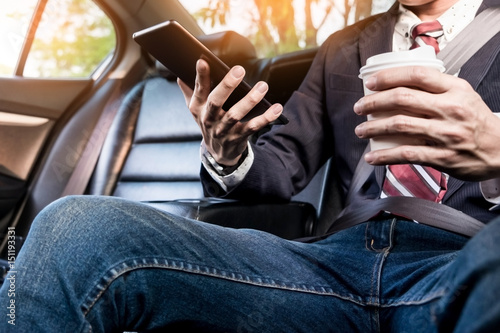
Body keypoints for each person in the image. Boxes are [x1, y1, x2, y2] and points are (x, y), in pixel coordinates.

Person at [1, 0, 500, 331]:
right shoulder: (343, 48)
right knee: (71, 228)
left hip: (470, 256)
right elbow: (282, 166)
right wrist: (227, 151)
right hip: (335, 267)